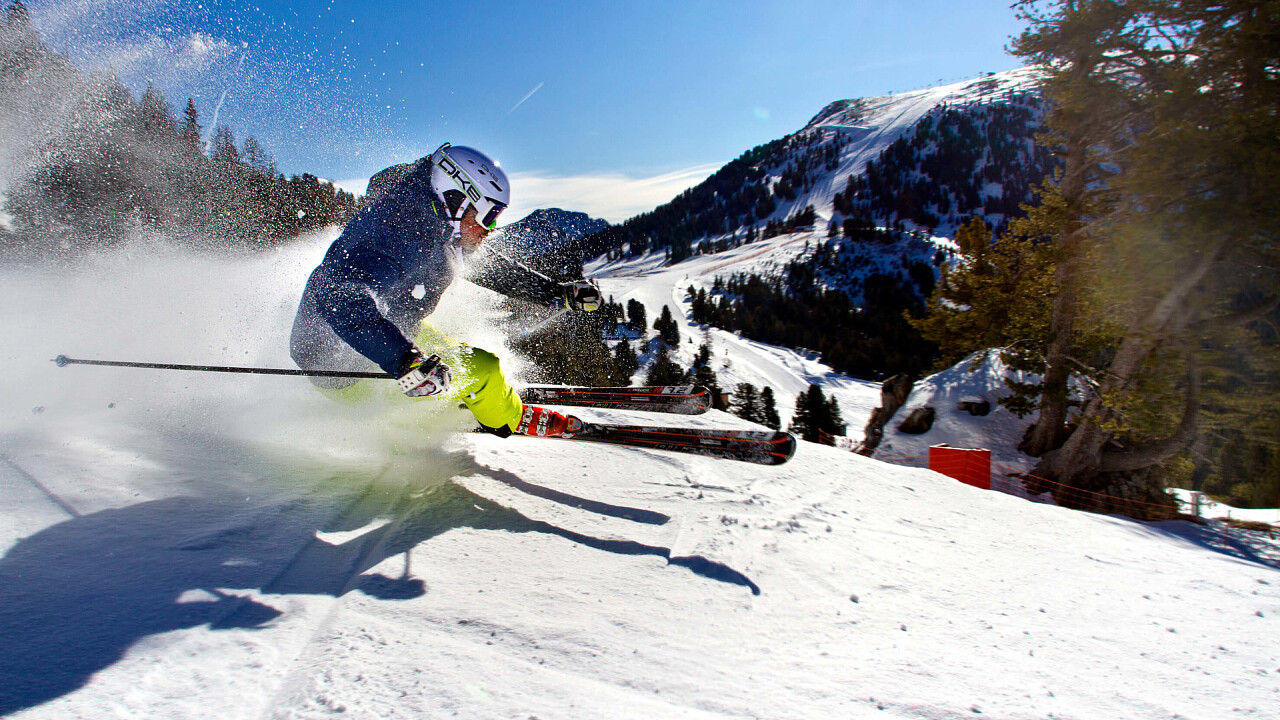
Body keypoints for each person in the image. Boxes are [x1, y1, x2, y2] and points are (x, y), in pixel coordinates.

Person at [290, 142, 601, 437]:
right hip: (346, 372)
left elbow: (491, 270)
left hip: (372, 332)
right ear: (459, 198)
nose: (489, 230)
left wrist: (555, 293)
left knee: (446, 351)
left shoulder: (429, 216)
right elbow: (338, 298)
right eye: (489, 216)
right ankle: (509, 418)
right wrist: (404, 361)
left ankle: (461, 395)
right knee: (485, 369)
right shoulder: (401, 233)